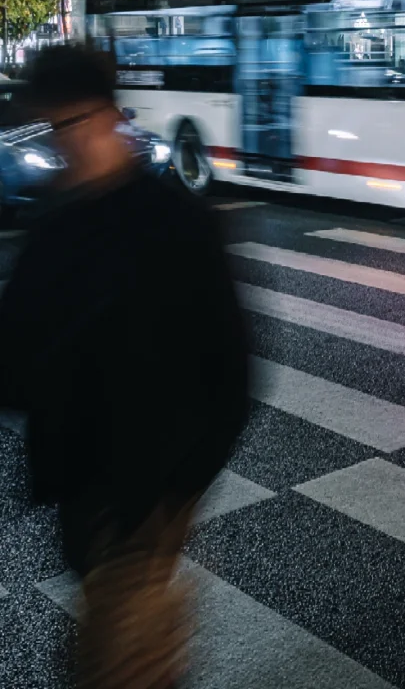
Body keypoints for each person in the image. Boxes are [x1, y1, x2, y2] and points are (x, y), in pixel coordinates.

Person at [0, 46, 249, 689]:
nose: (61, 146)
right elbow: (16, 354)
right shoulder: (53, 225)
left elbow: (232, 366)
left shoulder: (175, 225)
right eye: (49, 129)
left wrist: (179, 485)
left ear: (107, 117)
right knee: (115, 649)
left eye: (67, 125)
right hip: (84, 486)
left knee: (118, 660)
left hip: (148, 493)